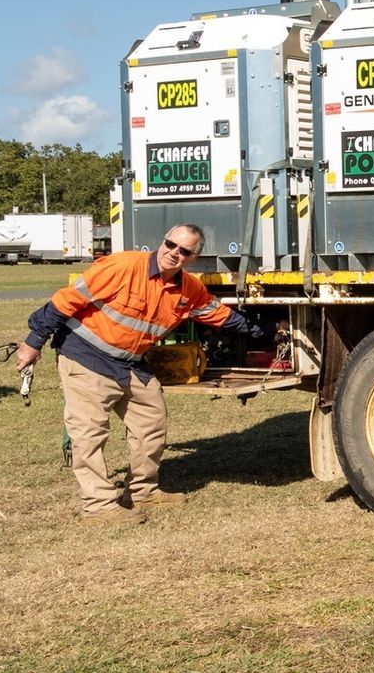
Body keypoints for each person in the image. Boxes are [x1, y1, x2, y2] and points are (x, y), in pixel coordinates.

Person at [14, 224, 268, 525]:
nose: (174, 253)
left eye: (184, 251)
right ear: (162, 242)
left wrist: (261, 330)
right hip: (85, 356)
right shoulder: (122, 266)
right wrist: (33, 343)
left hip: (132, 362)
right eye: (170, 244)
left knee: (152, 423)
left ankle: (142, 491)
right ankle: (97, 506)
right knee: (89, 433)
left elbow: (220, 315)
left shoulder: (189, 289)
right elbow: (64, 302)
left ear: (193, 258)